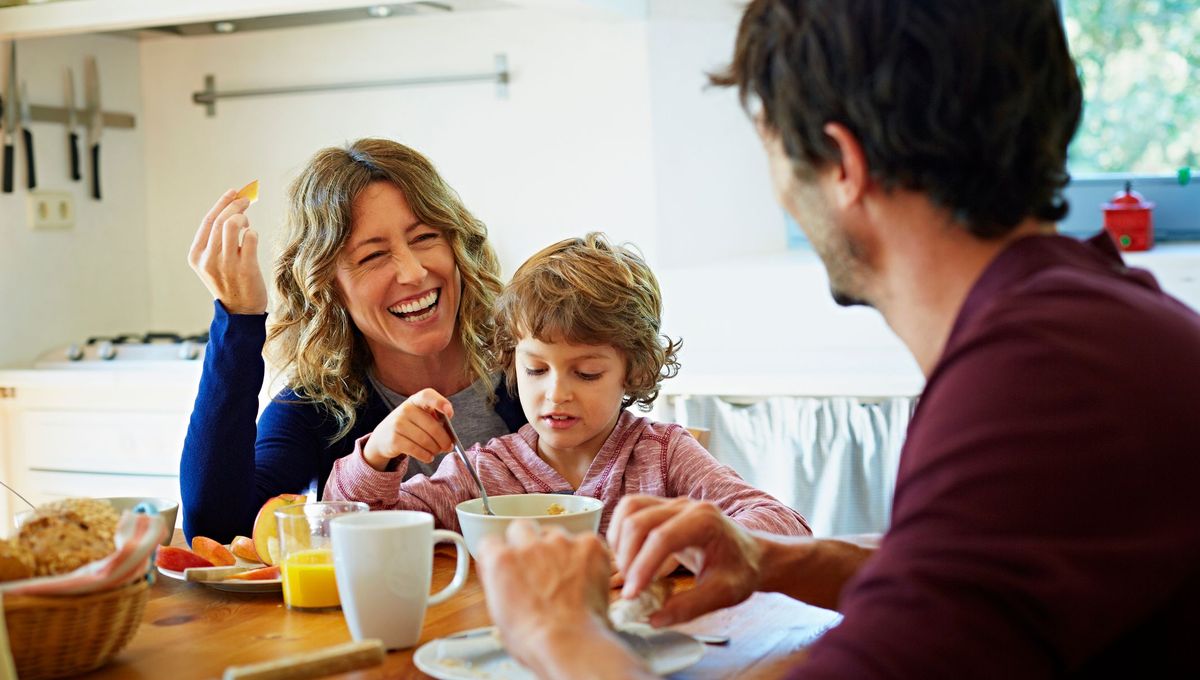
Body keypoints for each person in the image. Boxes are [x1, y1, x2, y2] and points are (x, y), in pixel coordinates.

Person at [474, 1, 1200, 678]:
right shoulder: (1093, 326)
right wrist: (777, 558)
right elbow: (959, 580)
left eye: (770, 149)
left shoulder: (1035, 393)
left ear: (841, 164)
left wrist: (560, 638)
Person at [324, 233, 810, 546]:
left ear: (633, 370)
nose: (556, 394)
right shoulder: (488, 471)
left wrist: (691, 542)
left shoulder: (663, 456)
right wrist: (379, 457)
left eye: (587, 373)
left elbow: (785, 526)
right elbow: (352, 530)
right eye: (536, 371)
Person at [181, 139, 526, 542]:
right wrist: (238, 320)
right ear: (329, 288)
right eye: (373, 256)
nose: (413, 272)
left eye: (424, 238)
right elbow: (219, 531)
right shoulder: (319, 407)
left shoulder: (535, 371)